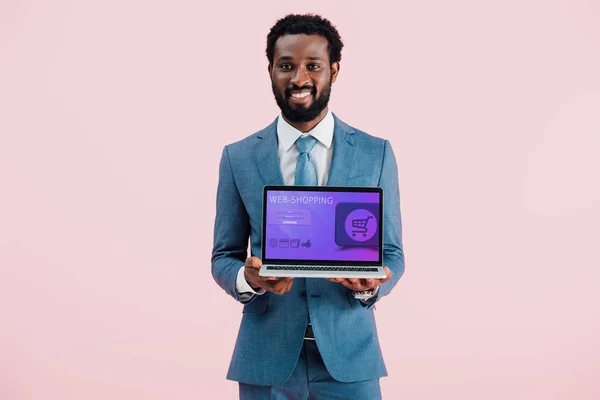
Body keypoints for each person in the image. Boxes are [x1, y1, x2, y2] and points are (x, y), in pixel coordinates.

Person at [211, 13, 405, 399]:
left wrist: (371, 287)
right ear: (271, 71)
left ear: (333, 70)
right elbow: (224, 256)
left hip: (350, 356)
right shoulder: (239, 158)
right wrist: (249, 279)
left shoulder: (375, 153)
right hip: (266, 358)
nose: (299, 79)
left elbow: (392, 253)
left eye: (312, 66)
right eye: (286, 66)